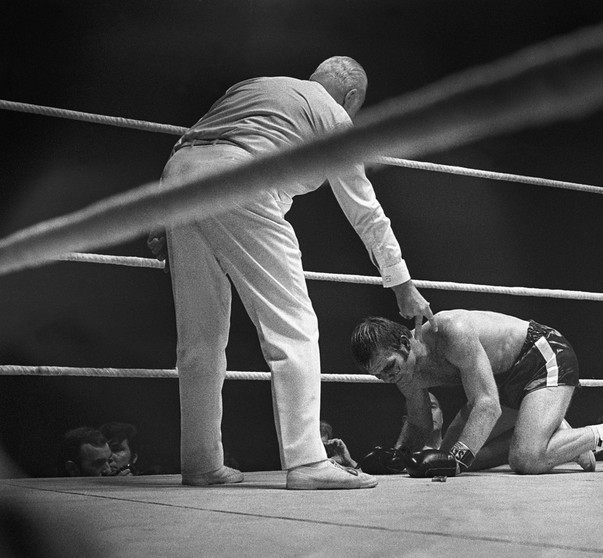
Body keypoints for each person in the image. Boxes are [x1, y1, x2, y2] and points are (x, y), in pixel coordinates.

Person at [146, 57, 433, 489]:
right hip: (242, 180)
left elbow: (193, 139)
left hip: (180, 178)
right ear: (352, 98)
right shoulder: (333, 114)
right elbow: (365, 210)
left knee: (199, 338)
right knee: (294, 328)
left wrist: (160, 222)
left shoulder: (254, 84)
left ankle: (201, 462)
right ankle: (307, 462)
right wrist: (402, 283)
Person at [350, 311, 603, 476]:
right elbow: (420, 425)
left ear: (405, 344)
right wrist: (399, 457)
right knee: (454, 453)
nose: (388, 378)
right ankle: (549, 433)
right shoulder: (404, 374)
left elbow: (486, 404)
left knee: (524, 461)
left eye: (389, 367)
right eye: (379, 375)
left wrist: (455, 460)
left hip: (541, 356)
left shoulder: (450, 331)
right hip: (501, 383)